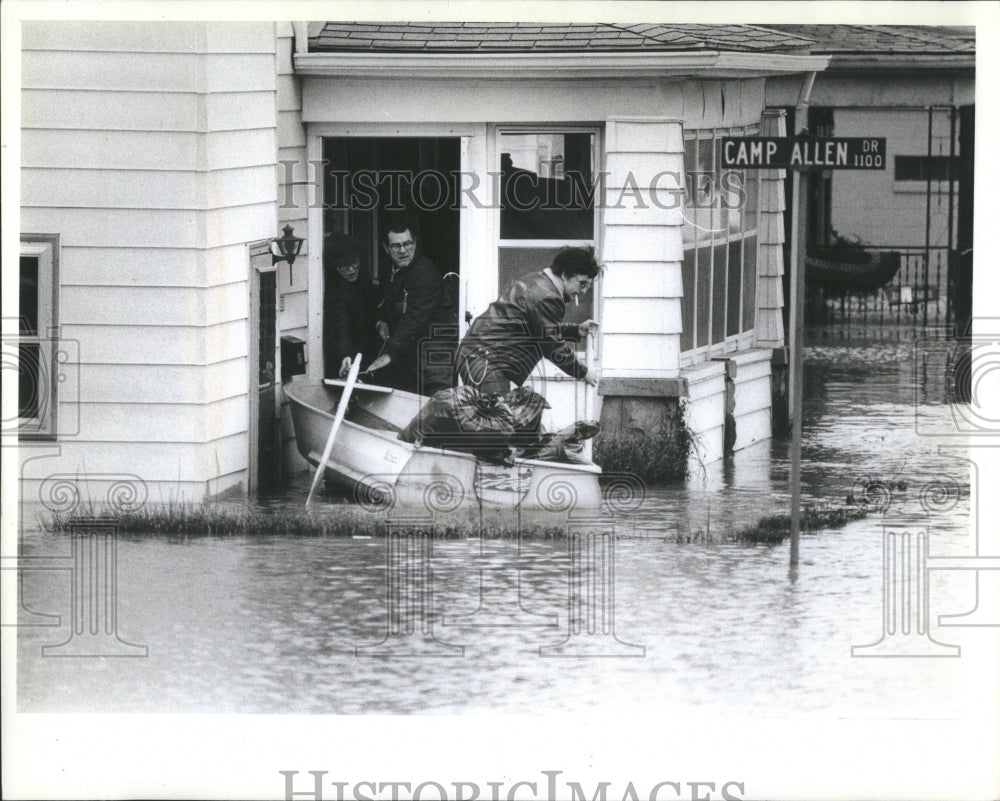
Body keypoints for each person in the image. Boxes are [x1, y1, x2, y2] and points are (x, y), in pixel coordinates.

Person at [457, 246, 601, 395]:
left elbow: (540, 328)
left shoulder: (536, 280)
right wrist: (583, 372)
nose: (583, 291)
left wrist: (575, 330)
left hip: (478, 355)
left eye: (588, 287)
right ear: (565, 274)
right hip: (485, 361)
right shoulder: (547, 297)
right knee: (498, 416)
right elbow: (552, 345)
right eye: (582, 283)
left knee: (492, 414)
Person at [365, 217, 456, 395]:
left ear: (415, 243)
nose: (403, 250)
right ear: (386, 248)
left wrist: (389, 354)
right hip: (410, 355)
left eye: (408, 244)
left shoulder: (425, 274)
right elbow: (386, 301)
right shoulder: (391, 269)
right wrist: (381, 320)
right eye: (396, 246)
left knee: (436, 409)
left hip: (435, 358)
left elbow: (413, 321)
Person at [322, 233, 380, 380]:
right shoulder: (335, 288)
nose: (351, 270)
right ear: (334, 266)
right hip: (347, 355)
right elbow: (338, 323)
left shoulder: (363, 275)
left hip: (367, 346)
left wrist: (380, 321)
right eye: (344, 266)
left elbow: (372, 305)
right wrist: (344, 355)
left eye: (353, 263)